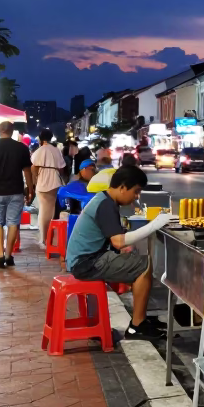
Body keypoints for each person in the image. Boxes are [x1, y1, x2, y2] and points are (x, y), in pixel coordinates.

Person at [67, 165, 173, 339]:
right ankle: (136, 326)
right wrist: (155, 224)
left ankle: (141, 319)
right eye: (136, 191)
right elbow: (118, 242)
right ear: (123, 187)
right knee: (143, 264)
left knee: (135, 261)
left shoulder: (104, 200)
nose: (136, 197)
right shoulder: (106, 205)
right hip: (86, 263)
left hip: (84, 260)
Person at [0, 120, 35, 268]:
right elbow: (27, 171)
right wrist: (30, 188)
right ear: (12, 131)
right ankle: (9, 256)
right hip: (16, 191)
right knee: (13, 223)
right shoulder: (21, 148)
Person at [31, 128, 68, 242]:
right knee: (50, 209)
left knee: (43, 209)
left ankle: (44, 237)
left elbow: (33, 166)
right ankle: (47, 236)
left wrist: (35, 180)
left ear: (41, 138)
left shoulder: (39, 150)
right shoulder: (56, 150)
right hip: (54, 180)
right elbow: (62, 167)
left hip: (42, 180)